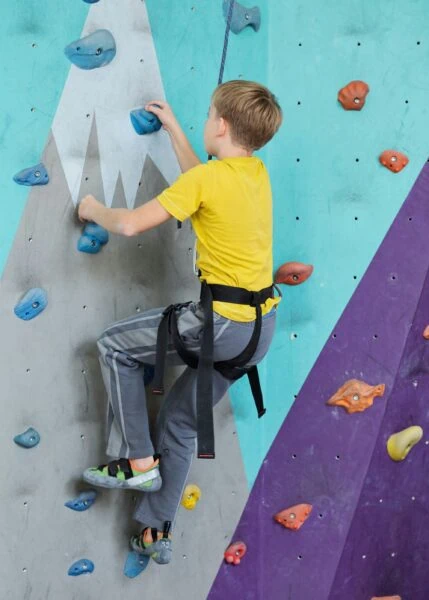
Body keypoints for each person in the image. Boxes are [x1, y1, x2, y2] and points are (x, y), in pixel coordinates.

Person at [77, 80, 283, 565]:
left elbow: (128, 224)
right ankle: (155, 531)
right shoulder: (254, 173)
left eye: (209, 113)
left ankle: (137, 459)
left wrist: (92, 209)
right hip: (259, 331)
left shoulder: (210, 181)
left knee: (113, 345)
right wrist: (174, 132)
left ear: (221, 125)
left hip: (219, 325)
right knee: (181, 421)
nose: (205, 119)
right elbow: (205, 185)